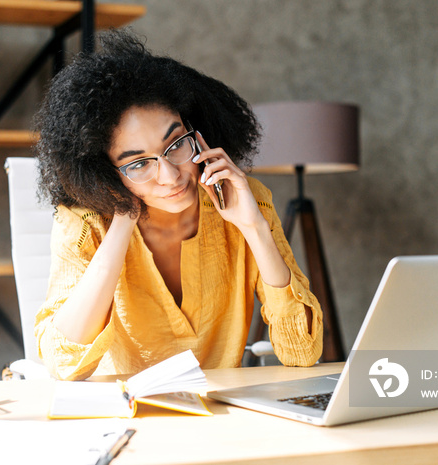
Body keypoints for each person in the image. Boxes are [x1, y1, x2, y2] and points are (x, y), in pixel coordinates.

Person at [33, 29, 323, 380]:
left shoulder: (244, 199)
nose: (170, 176)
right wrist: (123, 219)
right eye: (138, 163)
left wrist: (254, 228)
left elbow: (302, 351)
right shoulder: (83, 223)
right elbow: (64, 366)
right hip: (124, 420)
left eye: (176, 144)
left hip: (221, 418)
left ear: (198, 134)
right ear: (105, 172)